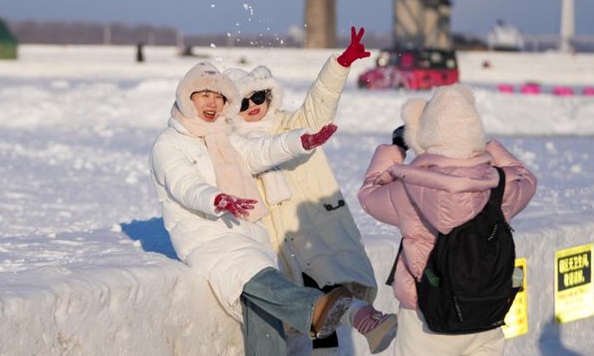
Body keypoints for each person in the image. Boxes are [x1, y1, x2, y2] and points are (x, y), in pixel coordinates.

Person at [149, 61, 353, 356]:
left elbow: (259, 151)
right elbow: (184, 184)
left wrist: (300, 141)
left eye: (219, 97)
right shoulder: (169, 144)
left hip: (247, 232)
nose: (212, 102)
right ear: (186, 97)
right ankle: (312, 309)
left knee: (263, 309)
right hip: (207, 237)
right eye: (204, 94)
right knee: (253, 275)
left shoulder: (223, 136)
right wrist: (216, 199)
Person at [224, 26, 397, 355]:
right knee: (312, 303)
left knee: (328, 288)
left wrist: (339, 66)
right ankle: (367, 321)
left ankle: (367, 323)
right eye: (244, 102)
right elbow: (256, 158)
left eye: (258, 96)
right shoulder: (234, 143)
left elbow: (317, 111)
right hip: (276, 234)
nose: (253, 106)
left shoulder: (289, 123)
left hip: (312, 225)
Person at [358, 84, 537, 356]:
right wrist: (484, 146)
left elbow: (369, 194)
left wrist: (396, 149)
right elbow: (526, 177)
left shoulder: (409, 188)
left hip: (425, 314)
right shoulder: (500, 186)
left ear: (425, 136)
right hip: (484, 311)